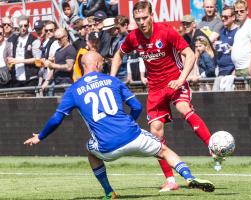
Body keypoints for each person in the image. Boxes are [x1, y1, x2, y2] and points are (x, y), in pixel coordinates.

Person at [24, 51, 215, 199]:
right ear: (98, 64)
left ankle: (109, 192)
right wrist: (130, 122)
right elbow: (136, 106)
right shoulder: (112, 80)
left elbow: (57, 119)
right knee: (164, 150)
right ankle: (189, 177)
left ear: (82, 67)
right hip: (133, 136)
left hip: (107, 148)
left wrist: (40, 136)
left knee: (90, 151)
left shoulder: (73, 90)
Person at [110, 1, 213, 192]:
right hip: (155, 89)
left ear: (152, 15)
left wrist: (182, 79)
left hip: (175, 80)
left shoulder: (166, 32)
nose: (141, 22)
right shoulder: (133, 37)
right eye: (137, 19)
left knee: (183, 108)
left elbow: (189, 55)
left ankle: (212, 146)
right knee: (155, 134)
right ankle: (171, 181)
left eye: (144, 18)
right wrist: (111, 79)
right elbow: (118, 55)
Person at [231, 0, 251, 77]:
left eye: (241, 11)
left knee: (250, 89)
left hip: (247, 70)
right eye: (236, 11)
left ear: (247, 11)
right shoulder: (239, 27)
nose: (239, 13)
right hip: (238, 70)